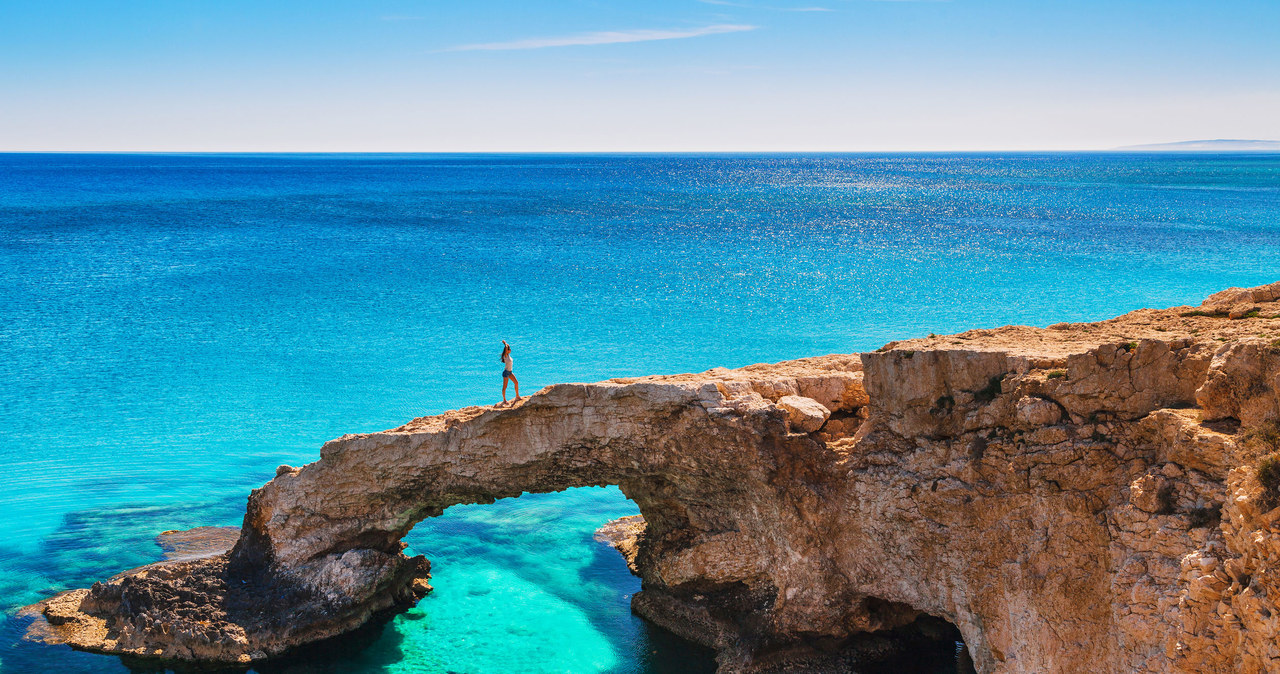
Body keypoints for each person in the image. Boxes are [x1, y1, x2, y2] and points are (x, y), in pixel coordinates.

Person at [500, 340, 520, 404]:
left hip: (510, 372)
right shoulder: (505, 356)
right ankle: (504, 400)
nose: (510, 350)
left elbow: (507, 348)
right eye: (509, 349)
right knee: (505, 387)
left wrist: (507, 345)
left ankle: (517, 396)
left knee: (516, 383)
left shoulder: (508, 356)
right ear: (507, 350)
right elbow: (506, 348)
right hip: (506, 373)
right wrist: (505, 343)